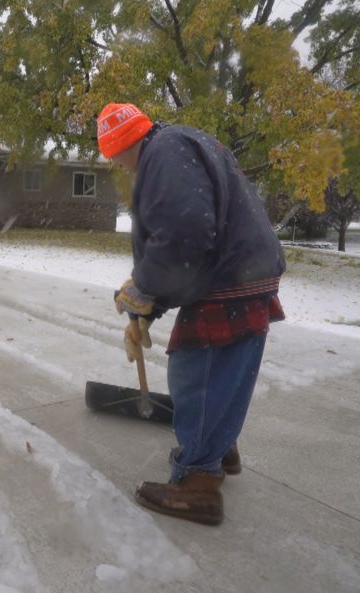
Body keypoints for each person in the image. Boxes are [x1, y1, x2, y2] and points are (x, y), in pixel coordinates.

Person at [97, 102, 286, 526]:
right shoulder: (181, 141)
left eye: (117, 160)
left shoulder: (162, 154)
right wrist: (151, 307)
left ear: (122, 147)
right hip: (244, 269)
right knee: (227, 370)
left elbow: (185, 233)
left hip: (229, 275)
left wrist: (143, 291)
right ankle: (218, 449)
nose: (124, 169)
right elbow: (188, 239)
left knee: (195, 369)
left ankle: (198, 483)